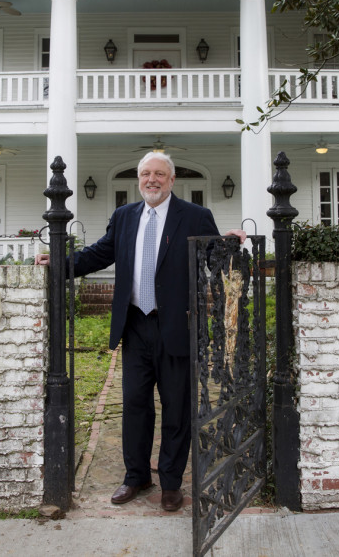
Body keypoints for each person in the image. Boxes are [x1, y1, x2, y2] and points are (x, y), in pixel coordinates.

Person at [36, 152, 245, 511]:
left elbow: (211, 259)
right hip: (135, 325)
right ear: (139, 179)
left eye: (160, 174)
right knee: (134, 405)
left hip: (176, 325)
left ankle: (170, 482)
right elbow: (100, 253)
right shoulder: (124, 217)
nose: (153, 179)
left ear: (172, 179)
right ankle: (136, 476)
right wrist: (61, 261)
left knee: (176, 409)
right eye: (146, 174)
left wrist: (228, 243)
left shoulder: (195, 216)